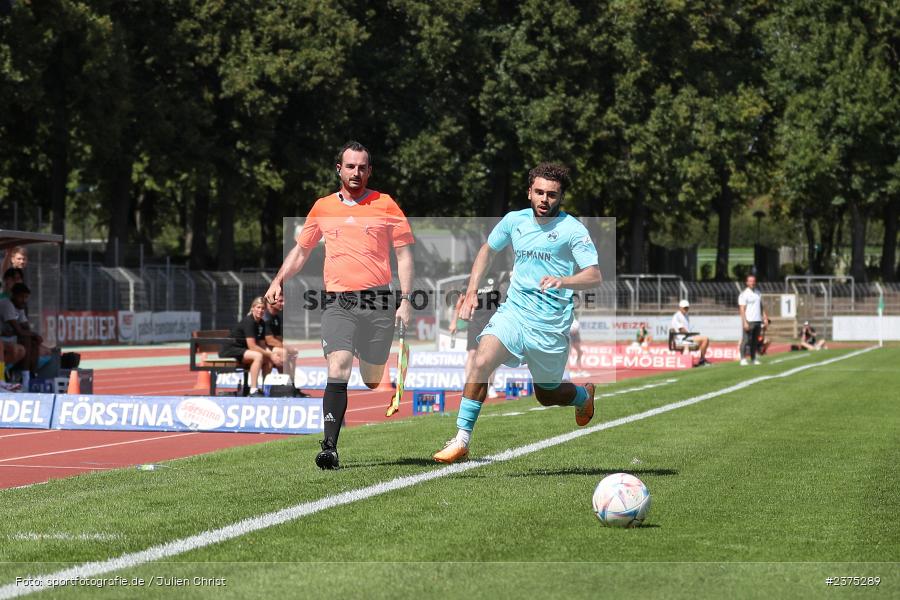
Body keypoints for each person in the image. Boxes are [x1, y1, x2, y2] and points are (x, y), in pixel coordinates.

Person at [433, 162, 601, 464]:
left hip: (550, 324)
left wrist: (565, 281)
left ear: (560, 197)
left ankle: (582, 396)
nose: (544, 199)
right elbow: (487, 249)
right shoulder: (515, 221)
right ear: (529, 192)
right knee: (481, 360)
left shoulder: (573, 230)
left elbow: (594, 275)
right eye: (539, 192)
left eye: (552, 194)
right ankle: (461, 439)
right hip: (515, 312)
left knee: (546, 395)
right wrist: (470, 290)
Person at [264, 140, 415, 470]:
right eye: (350, 166)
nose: (356, 172)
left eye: (362, 167)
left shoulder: (386, 205)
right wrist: (278, 281)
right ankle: (329, 447)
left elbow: (404, 254)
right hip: (338, 302)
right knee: (338, 366)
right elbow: (301, 252)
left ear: (369, 171)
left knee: (373, 378)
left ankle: (365, 350)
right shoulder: (322, 207)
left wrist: (405, 300)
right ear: (339, 169)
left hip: (378, 302)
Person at [448, 271, 504, 397]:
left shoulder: (496, 277)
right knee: (472, 354)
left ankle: (490, 386)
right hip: (475, 322)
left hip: (492, 322)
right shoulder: (470, 280)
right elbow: (461, 302)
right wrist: (453, 322)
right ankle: (469, 385)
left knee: (491, 357)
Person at [219, 296, 275, 397]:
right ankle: (253, 390)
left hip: (243, 350)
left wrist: (272, 355)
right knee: (258, 356)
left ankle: (265, 389)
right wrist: (270, 354)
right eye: (258, 307)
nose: (260, 310)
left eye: (263, 308)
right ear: (252, 308)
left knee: (268, 360)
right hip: (231, 350)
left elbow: (262, 344)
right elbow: (252, 346)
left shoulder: (261, 323)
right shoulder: (249, 321)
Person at [263, 295, 310, 397]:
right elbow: (269, 340)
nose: (283, 303)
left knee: (291, 354)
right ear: (271, 302)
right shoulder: (265, 317)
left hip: (270, 348)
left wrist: (289, 348)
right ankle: (286, 387)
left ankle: (291, 386)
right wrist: (287, 348)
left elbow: (278, 338)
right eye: (280, 301)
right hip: (262, 348)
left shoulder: (276, 317)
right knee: (284, 352)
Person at [0, 283, 41, 385]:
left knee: (33, 341)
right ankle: (25, 377)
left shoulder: (20, 307)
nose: (23, 300)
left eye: (26, 297)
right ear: (13, 295)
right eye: (21, 296)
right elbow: (19, 331)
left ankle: (31, 374)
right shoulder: (6, 304)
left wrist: (33, 335)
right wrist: (33, 334)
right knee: (27, 339)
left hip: (8, 337)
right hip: (2, 338)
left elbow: (26, 327)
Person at [738, 274, 769, 365]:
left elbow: (761, 306)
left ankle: (753, 358)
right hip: (749, 320)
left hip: (757, 320)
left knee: (755, 341)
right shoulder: (744, 294)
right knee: (746, 340)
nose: (752, 283)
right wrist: (745, 322)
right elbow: (742, 309)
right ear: (747, 282)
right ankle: (743, 359)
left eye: (753, 281)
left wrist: (765, 317)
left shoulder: (758, 292)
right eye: (750, 281)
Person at [670, 299, 710, 366]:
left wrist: (691, 334)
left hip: (686, 337)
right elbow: (681, 329)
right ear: (680, 307)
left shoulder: (686, 315)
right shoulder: (676, 316)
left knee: (703, 340)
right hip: (682, 339)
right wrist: (691, 334)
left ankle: (696, 360)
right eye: (685, 308)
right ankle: (702, 360)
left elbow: (685, 329)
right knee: (705, 339)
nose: (686, 309)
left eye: (687, 307)